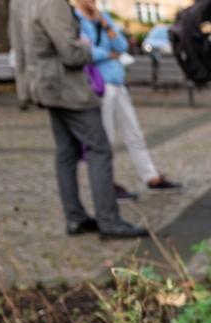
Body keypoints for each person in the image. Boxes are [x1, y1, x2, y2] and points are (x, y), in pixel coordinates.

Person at [26, 0, 147, 238]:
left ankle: (76, 217)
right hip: (69, 89)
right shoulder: (55, 5)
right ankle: (109, 222)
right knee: (99, 149)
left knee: (67, 152)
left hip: (51, 87)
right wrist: (88, 49)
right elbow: (70, 53)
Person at [74, 0, 182, 198]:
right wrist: (109, 53)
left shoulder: (102, 17)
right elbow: (86, 52)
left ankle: (151, 176)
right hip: (99, 84)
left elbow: (122, 45)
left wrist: (105, 24)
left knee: (134, 132)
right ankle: (107, 184)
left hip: (117, 80)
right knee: (104, 137)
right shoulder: (77, 20)